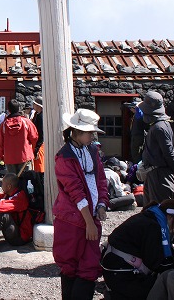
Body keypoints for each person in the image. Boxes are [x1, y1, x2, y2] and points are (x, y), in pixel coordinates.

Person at [53, 109, 109, 300]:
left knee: (89, 266)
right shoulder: (64, 157)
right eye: (89, 132)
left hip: (88, 216)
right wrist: (89, 222)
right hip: (72, 220)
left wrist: (102, 203)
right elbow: (75, 192)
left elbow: (101, 179)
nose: (93, 135)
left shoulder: (92, 151)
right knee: (70, 266)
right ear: (76, 131)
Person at [102, 199, 174, 300]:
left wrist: (172, 248)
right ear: (171, 217)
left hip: (116, 271)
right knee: (167, 286)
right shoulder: (153, 226)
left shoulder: (150, 217)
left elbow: (148, 249)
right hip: (123, 276)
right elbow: (157, 264)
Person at [139, 91, 174, 204]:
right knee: (150, 211)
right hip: (154, 174)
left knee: (160, 210)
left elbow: (169, 153)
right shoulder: (158, 126)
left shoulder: (159, 128)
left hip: (160, 175)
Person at [0, 99, 38, 176]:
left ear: (8, 110)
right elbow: (34, 137)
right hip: (25, 155)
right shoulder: (26, 122)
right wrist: (31, 150)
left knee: (12, 182)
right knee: (26, 181)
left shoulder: (4, 125)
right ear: (19, 108)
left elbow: (0, 143)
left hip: (9, 157)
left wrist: (1, 156)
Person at [30, 96, 45, 183]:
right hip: (38, 143)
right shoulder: (37, 115)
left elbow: (41, 133)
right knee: (37, 165)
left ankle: (41, 182)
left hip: (40, 144)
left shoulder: (40, 116)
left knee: (40, 165)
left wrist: (37, 148)